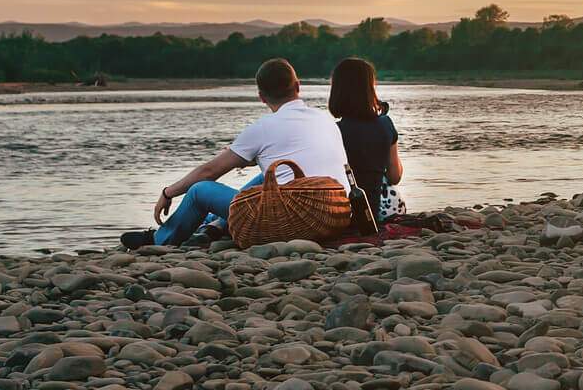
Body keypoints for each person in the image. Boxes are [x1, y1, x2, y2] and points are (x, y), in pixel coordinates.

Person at [131, 58, 349, 248]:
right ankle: (215, 225)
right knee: (266, 176)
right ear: (298, 86)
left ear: (261, 97)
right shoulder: (325, 119)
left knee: (199, 191)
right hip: (334, 213)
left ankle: (161, 239)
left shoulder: (263, 127)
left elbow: (209, 171)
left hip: (292, 219)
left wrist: (168, 193)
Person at [329, 56, 402, 218]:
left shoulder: (334, 131)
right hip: (376, 213)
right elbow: (395, 176)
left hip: (341, 214)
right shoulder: (385, 124)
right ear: (370, 88)